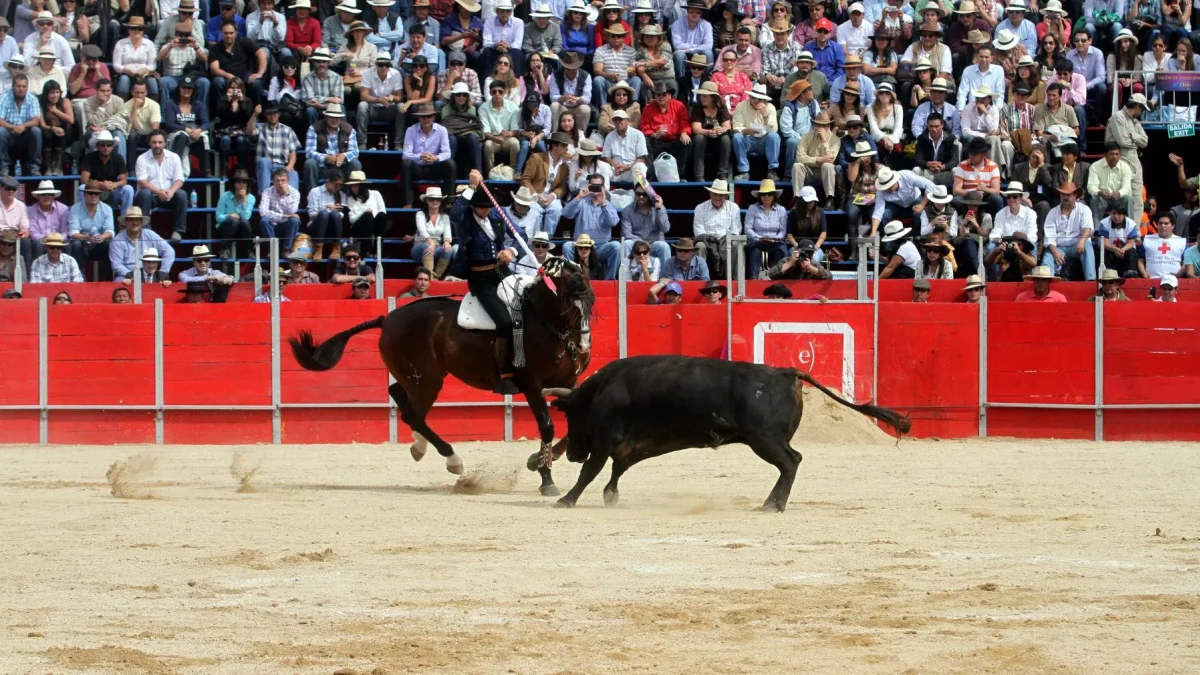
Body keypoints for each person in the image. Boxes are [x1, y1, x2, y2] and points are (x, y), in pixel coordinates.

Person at [451, 169, 527, 394]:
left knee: (529, 307)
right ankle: (504, 375)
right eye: (481, 207)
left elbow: (519, 233)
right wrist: (472, 187)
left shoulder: (496, 213)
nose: (485, 211)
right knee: (504, 322)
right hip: (480, 277)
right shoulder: (464, 217)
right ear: (473, 206)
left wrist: (512, 251)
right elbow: (454, 213)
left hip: (502, 271)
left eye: (488, 207)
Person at [561, 172, 621, 279]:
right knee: (567, 246)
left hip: (600, 247)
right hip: (580, 247)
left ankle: (609, 280)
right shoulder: (581, 201)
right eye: (593, 185)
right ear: (588, 186)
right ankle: (573, 278)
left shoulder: (608, 204)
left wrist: (603, 204)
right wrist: (579, 197)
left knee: (616, 246)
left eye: (598, 186)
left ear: (603, 187)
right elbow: (566, 213)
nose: (595, 188)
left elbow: (613, 223)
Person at [134, 130, 188, 242]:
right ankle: (146, 231)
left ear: (165, 143)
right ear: (149, 143)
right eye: (154, 142)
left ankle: (178, 231)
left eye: (159, 142)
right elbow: (142, 182)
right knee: (144, 194)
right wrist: (159, 192)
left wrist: (171, 191)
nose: (157, 145)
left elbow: (179, 179)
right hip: (151, 196)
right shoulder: (142, 159)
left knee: (182, 194)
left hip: (169, 195)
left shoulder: (174, 157)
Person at [1105, 92, 1149, 225]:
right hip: (1120, 158)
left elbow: (1145, 142)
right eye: (1141, 108)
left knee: (1137, 199)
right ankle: (1122, 228)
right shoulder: (1118, 117)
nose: (1141, 111)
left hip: (1135, 159)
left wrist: (1133, 136)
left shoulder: (1136, 121)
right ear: (1136, 106)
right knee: (1125, 197)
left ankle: (1134, 230)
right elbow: (1123, 141)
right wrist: (1136, 140)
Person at [401, 103, 456, 208]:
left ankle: (448, 201)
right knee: (406, 164)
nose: (426, 119)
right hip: (417, 167)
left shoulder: (442, 130)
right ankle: (408, 202)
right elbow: (405, 155)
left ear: (434, 117)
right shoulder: (410, 130)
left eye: (429, 116)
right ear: (418, 118)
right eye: (423, 116)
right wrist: (420, 156)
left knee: (450, 163)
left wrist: (436, 158)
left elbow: (447, 153)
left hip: (434, 167)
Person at [518, 130, 569, 238]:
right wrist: (536, 195)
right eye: (564, 145)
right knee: (535, 211)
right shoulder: (537, 158)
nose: (567, 148)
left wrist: (553, 195)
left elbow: (563, 186)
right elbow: (525, 180)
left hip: (550, 197)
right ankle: (535, 241)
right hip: (534, 196)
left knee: (556, 209)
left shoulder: (564, 166)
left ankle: (546, 241)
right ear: (554, 145)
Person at [1042, 181, 1096, 280]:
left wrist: (1082, 241)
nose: (1065, 197)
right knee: (1048, 255)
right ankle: (1047, 281)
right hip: (1058, 247)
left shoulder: (1084, 209)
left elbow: (1087, 228)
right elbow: (1049, 237)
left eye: (1069, 194)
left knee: (1087, 245)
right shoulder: (1052, 213)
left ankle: (1091, 280)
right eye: (1063, 194)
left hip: (1076, 245)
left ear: (1075, 195)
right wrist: (1055, 252)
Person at [208, 19, 267, 103]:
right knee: (218, 82)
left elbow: (262, 53)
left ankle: (257, 111)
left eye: (231, 33)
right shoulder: (215, 49)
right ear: (221, 33)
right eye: (225, 33)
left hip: (245, 76)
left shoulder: (243, 41)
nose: (228, 36)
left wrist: (259, 73)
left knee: (256, 83)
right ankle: (219, 111)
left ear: (236, 32)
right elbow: (214, 69)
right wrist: (229, 76)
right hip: (226, 78)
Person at [356, 53, 405, 152]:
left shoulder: (396, 74)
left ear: (390, 65)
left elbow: (399, 97)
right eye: (381, 64)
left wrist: (393, 97)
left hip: (388, 108)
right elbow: (363, 96)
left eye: (386, 65)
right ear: (376, 64)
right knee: (362, 105)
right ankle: (362, 142)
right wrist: (378, 99)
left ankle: (398, 143)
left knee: (401, 106)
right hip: (372, 108)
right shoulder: (367, 73)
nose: (384, 67)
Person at [731, 83, 781, 182]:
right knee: (737, 137)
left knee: (774, 136)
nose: (756, 101)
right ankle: (744, 172)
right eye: (754, 98)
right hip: (747, 139)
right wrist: (747, 130)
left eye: (759, 99)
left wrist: (765, 115)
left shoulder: (770, 107)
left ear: (764, 100)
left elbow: (773, 130)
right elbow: (736, 128)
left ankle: (772, 171)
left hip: (764, 141)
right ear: (749, 97)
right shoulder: (741, 106)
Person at [162, 75, 209, 178]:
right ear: (179, 88)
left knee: (203, 138)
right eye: (184, 87)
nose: (186, 90)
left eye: (189, 88)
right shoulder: (171, 104)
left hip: (194, 134)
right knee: (182, 136)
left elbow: (206, 123)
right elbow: (169, 124)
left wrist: (199, 130)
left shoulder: (198, 105)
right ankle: (173, 170)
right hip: (176, 134)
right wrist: (185, 129)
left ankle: (205, 171)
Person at [109, 207, 175, 280]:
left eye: (137, 219)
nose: (135, 223)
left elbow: (169, 251)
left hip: (149, 273)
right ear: (126, 222)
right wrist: (132, 275)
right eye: (131, 220)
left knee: (163, 284)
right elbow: (116, 265)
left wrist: (162, 272)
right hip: (126, 275)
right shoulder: (117, 240)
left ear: (141, 222)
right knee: (119, 282)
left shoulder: (150, 235)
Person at [692, 178, 740, 277]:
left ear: (726, 195)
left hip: (726, 240)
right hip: (707, 240)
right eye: (715, 194)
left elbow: (736, 230)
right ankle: (700, 279)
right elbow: (699, 232)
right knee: (700, 246)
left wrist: (724, 240)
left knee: (736, 244)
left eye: (721, 194)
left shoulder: (734, 208)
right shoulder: (700, 208)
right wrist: (712, 241)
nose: (717, 197)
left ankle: (734, 280)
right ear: (710, 194)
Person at [253, 100, 300, 191]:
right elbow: (249, 132)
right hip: (265, 166)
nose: (272, 116)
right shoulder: (260, 127)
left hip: (282, 166)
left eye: (275, 113)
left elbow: (293, 152)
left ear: (279, 114)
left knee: (294, 174)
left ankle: (291, 203)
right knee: (264, 161)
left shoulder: (288, 130)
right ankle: (264, 197)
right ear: (266, 115)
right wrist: (255, 114)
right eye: (269, 113)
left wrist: (289, 167)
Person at [0, 73, 41, 175]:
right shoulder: (4, 97)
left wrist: (23, 126)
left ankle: (34, 167)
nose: (21, 89)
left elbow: (36, 120)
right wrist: (14, 127)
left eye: (24, 86)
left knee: (36, 131)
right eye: (18, 86)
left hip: (25, 134)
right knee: (0, 132)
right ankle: (3, 167)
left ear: (27, 87)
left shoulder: (32, 99)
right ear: (13, 86)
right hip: (10, 134)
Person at [67, 180, 114, 266]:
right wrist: (86, 237)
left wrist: (102, 236)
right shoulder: (75, 209)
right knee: (76, 244)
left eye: (96, 194)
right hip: (83, 243)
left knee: (109, 243)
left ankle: (107, 278)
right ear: (84, 195)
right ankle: (80, 277)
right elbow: (73, 232)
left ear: (100, 195)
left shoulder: (107, 209)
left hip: (100, 243)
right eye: (90, 193)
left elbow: (110, 231)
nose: (93, 196)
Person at [411, 186, 454, 278]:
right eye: (432, 199)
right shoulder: (420, 214)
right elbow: (422, 230)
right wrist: (430, 241)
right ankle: (429, 276)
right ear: (427, 201)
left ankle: (435, 277)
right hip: (420, 246)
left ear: (440, 201)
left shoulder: (444, 216)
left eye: (437, 199)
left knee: (448, 249)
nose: (435, 201)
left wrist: (446, 242)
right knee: (426, 245)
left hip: (436, 248)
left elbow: (447, 233)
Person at [619, 187, 670, 264]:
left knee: (664, 246)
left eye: (644, 194)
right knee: (627, 244)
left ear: (650, 195)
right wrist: (642, 242)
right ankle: (627, 274)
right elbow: (626, 233)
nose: (641, 197)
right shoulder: (627, 210)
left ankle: (665, 275)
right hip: (636, 244)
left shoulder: (659, 207)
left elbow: (665, 229)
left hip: (654, 244)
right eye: (638, 194)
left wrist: (659, 209)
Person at [1087, 142, 1133, 228]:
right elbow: (1091, 186)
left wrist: (1119, 193)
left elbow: (1127, 187)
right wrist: (1099, 192)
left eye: (1117, 154)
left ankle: (1130, 230)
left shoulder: (1125, 167)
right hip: (1103, 198)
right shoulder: (1095, 166)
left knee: (1128, 199)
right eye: (1111, 154)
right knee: (1094, 199)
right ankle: (1097, 231)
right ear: (1105, 155)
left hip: (1119, 198)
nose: (1114, 157)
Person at [593, 24, 638, 106]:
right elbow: (597, 70)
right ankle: (602, 107)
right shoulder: (600, 50)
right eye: (613, 36)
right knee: (598, 80)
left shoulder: (631, 51)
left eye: (619, 36)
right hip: (608, 81)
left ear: (624, 38)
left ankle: (634, 106)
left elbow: (632, 68)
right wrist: (609, 75)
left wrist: (633, 72)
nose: (616, 38)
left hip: (626, 81)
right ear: (608, 37)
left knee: (636, 80)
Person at [306, 168, 345, 262]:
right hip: (316, 227)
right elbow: (312, 215)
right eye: (335, 185)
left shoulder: (341, 194)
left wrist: (333, 211)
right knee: (324, 214)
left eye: (340, 185)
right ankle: (318, 249)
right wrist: (326, 210)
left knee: (335, 215)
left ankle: (336, 248)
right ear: (328, 181)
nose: (337, 187)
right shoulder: (315, 192)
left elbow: (342, 215)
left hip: (332, 229)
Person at [259, 167, 302, 254]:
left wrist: (286, 193)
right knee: (264, 220)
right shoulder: (267, 192)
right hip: (271, 226)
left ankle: (286, 249)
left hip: (285, 227)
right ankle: (273, 249)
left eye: (283, 180)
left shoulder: (295, 193)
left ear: (288, 181)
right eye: (277, 180)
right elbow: (262, 212)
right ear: (273, 181)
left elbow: (292, 211)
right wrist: (283, 216)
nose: (280, 183)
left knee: (295, 220)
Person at [216, 169, 255, 260]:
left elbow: (246, 217)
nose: (241, 185)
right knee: (234, 221)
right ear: (234, 184)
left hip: (241, 230)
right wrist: (229, 216)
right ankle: (224, 249)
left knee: (245, 222)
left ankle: (250, 250)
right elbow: (218, 217)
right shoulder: (225, 196)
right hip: (225, 228)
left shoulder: (251, 198)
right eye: (238, 182)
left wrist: (244, 200)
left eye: (244, 182)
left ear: (247, 185)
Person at [1097, 202, 1140, 278]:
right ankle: (1106, 275)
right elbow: (1105, 244)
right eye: (1114, 213)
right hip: (1110, 250)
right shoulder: (1104, 223)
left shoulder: (1131, 224)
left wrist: (1122, 250)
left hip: (1125, 250)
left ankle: (1131, 275)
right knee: (1103, 252)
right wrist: (1115, 249)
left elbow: (1130, 243)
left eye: (1119, 214)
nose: (1116, 216)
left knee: (1131, 252)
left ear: (1124, 215)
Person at [301, 47, 343, 126]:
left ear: (328, 63)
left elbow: (339, 99)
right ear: (313, 62)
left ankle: (342, 136)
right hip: (315, 108)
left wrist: (323, 104)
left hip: (332, 107)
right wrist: (328, 99)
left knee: (341, 108)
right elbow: (309, 99)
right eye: (318, 61)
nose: (321, 64)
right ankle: (311, 136)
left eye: (324, 62)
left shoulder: (337, 77)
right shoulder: (307, 78)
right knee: (310, 111)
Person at [1141, 212, 1185, 279]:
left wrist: (1178, 275)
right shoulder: (1147, 240)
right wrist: (1143, 273)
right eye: (1160, 223)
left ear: (1173, 226)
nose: (1163, 226)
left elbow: (1188, 262)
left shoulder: (1182, 241)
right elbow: (1140, 260)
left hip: (1174, 281)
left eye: (1166, 223)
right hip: (1151, 279)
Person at [766, 238, 831, 280]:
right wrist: (790, 263)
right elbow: (771, 274)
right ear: (797, 250)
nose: (807, 255)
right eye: (804, 252)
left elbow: (829, 276)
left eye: (810, 253)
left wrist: (810, 268)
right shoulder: (787, 261)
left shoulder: (813, 263)